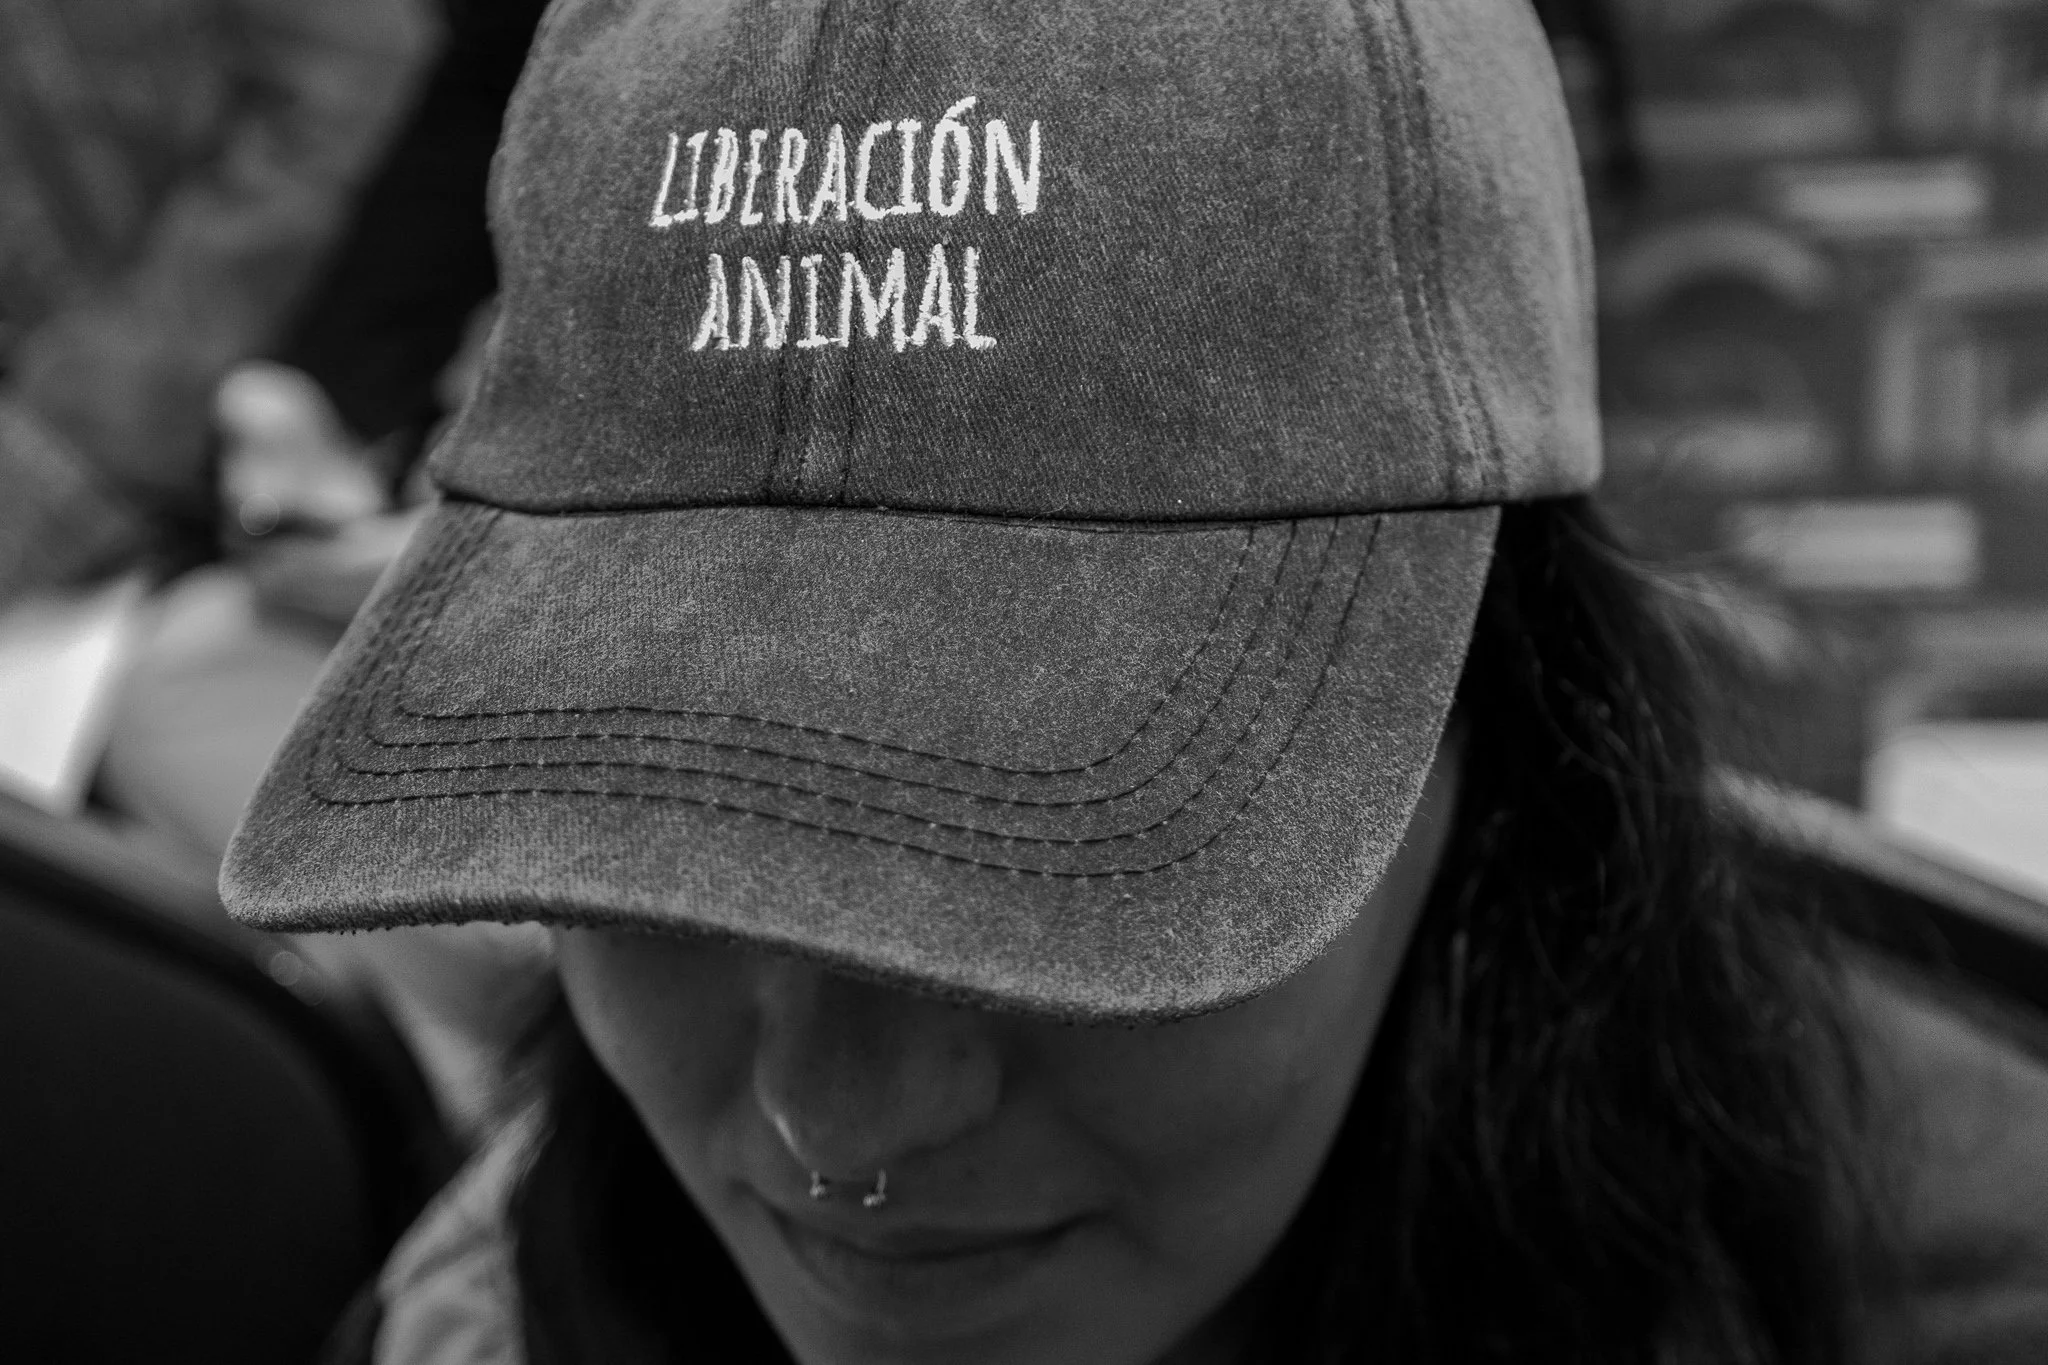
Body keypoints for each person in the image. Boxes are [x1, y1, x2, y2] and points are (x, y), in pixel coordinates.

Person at [220, 0, 2048, 1362]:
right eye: (661, 839)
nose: (837, 1128)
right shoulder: (509, 1299)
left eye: (1067, 881)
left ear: (1516, 746)